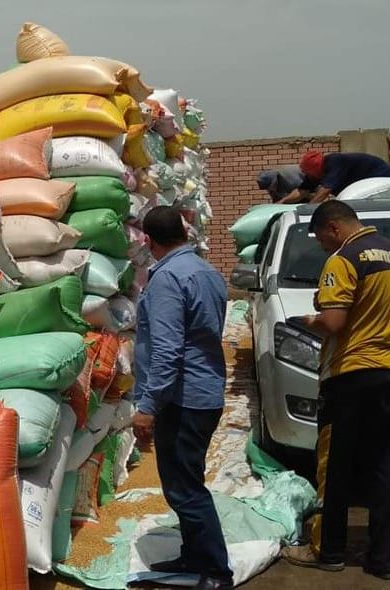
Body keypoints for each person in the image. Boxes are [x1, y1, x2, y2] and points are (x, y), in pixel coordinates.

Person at [282, 200, 390, 581]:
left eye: (321, 236)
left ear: (334, 227)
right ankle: (382, 559)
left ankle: (328, 551)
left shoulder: (343, 259)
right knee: (384, 465)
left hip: (351, 373)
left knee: (333, 464)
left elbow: (334, 322)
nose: (322, 244)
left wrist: (309, 319)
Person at [132, 206, 233, 590]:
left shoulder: (168, 279)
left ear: (148, 240)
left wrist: (147, 406)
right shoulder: (206, 271)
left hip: (184, 399)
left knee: (184, 488)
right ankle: (194, 555)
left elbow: (167, 351)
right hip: (204, 392)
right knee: (187, 480)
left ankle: (215, 573)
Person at [279, 150, 390, 204]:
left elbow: (324, 192)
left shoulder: (334, 162)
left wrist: (308, 209)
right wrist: (282, 202)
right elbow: (301, 191)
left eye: (308, 172)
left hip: (377, 173)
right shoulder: (315, 175)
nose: (307, 175)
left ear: (315, 168)